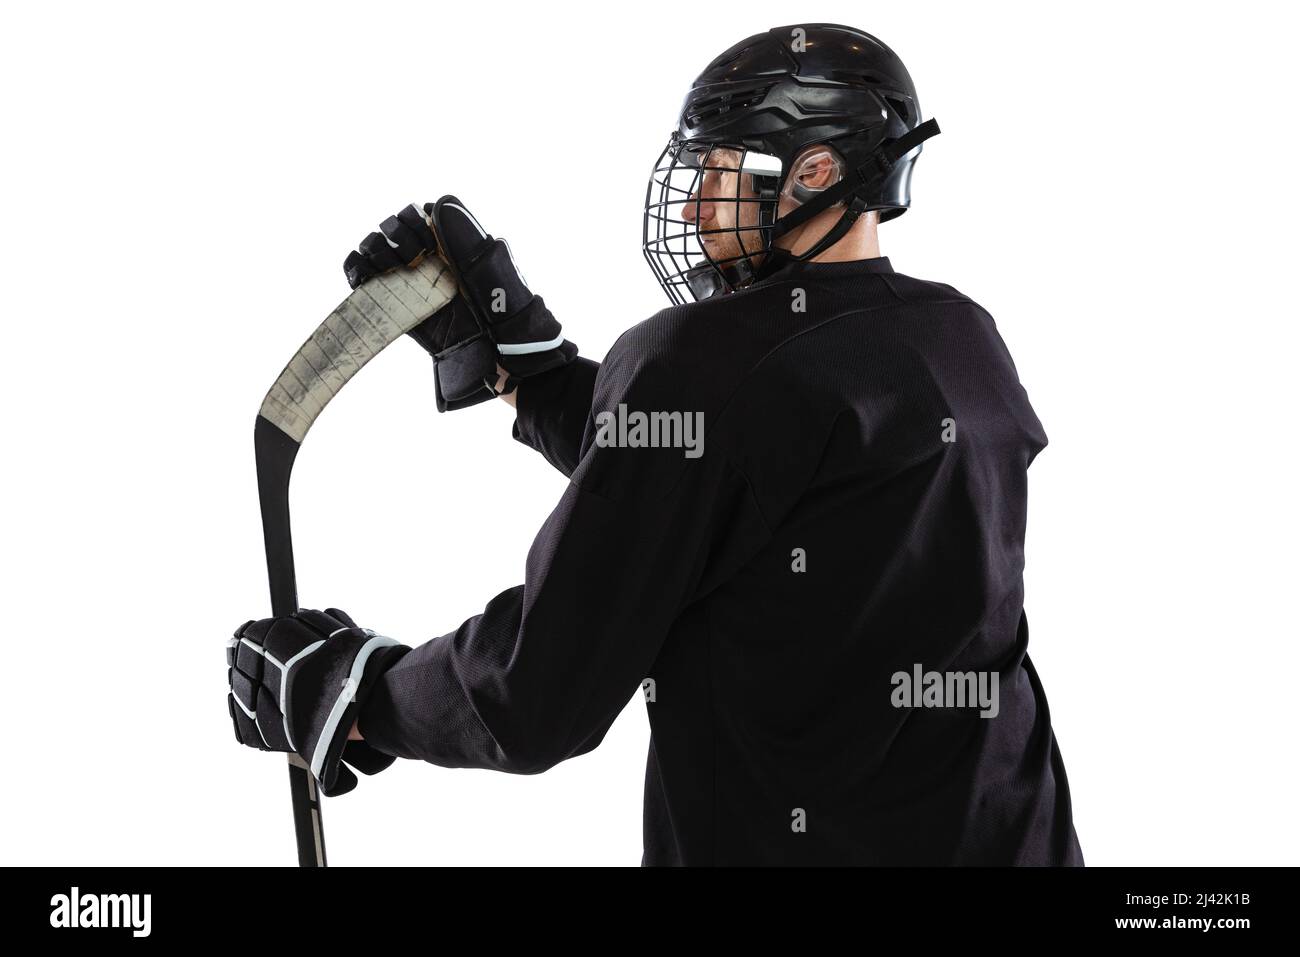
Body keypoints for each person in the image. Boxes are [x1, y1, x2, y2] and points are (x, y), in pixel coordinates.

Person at [228, 23, 1084, 866]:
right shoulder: (961, 339)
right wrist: (531, 370)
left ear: (816, 172)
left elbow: (539, 692)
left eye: (717, 172)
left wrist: (356, 692)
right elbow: (734, 486)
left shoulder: (696, 362)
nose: (688, 205)